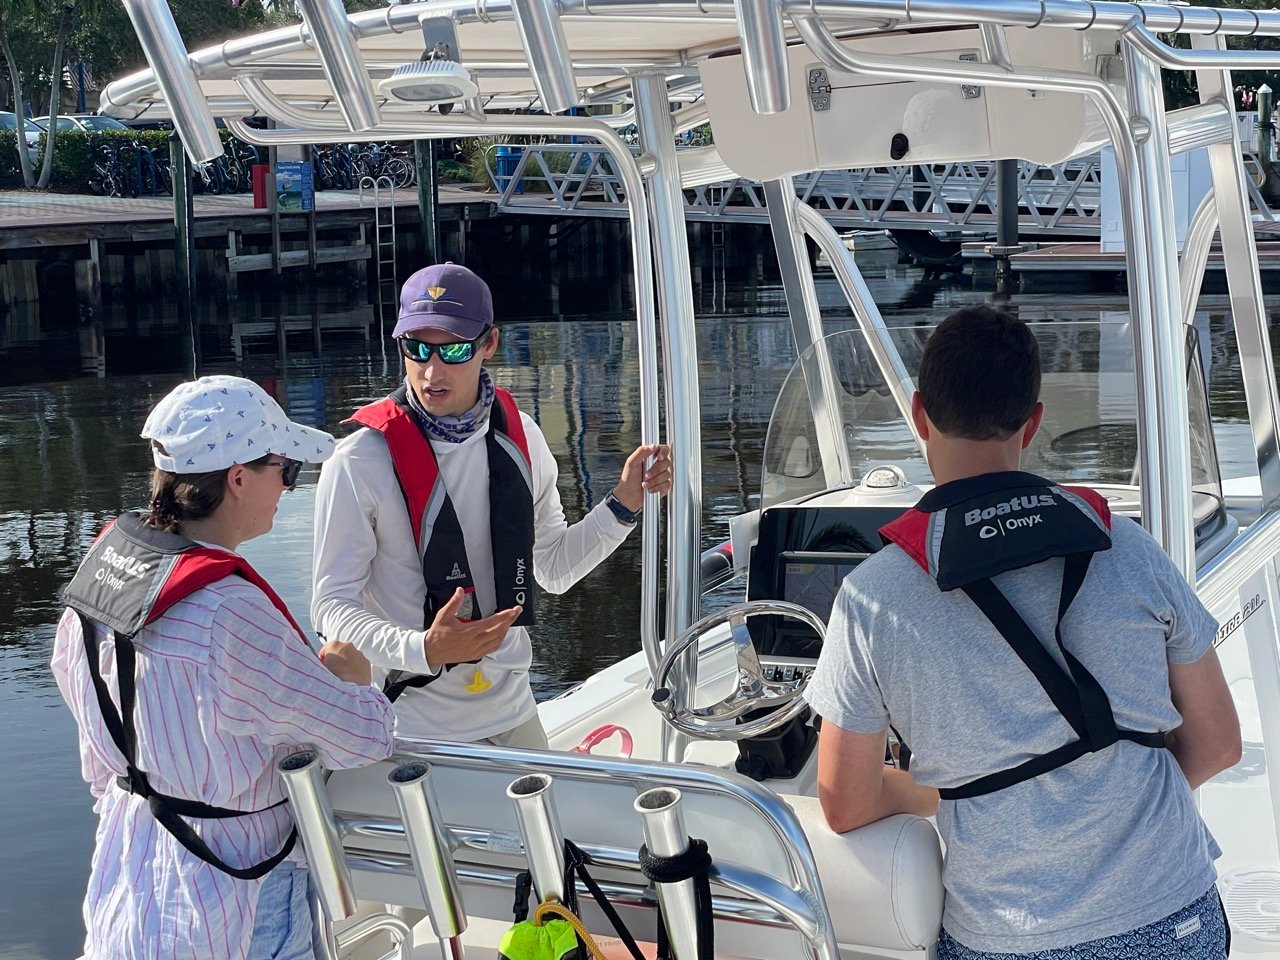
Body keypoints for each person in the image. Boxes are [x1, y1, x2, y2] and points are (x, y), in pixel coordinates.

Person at [805, 306, 1241, 959]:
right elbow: (1219, 745)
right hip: (1172, 914)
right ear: (1033, 422)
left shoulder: (874, 595)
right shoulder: (1128, 547)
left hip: (1009, 941)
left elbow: (845, 804)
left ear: (919, 415)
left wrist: (942, 785)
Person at [52, 375, 395, 960]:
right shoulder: (230, 613)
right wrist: (346, 677)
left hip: (128, 881)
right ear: (238, 478)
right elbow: (366, 736)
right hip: (236, 897)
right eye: (284, 470)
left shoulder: (97, 584)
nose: (289, 487)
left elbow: (100, 764)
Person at [312, 262, 672, 746]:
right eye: (416, 348)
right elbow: (331, 606)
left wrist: (625, 502)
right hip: (412, 729)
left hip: (514, 713)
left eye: (455, 349)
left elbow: (553, 569)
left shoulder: (522, 436)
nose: (432, 371)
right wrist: (422, 648)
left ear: (489, 344)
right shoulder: (358, 461)